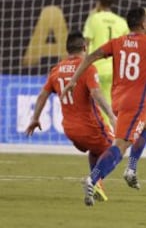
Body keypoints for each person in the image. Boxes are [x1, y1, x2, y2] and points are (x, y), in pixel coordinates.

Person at [61, 7, 146, 206]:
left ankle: (131, 169)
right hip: (136, 103)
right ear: (143, 24)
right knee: (120, 145)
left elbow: (90, 57)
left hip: (118, 100)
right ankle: (94, 178)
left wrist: (74, 79)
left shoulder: (119, 42)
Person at [25, 31, 117, 201]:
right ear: (85, 47)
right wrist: (111, 115)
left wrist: (35, 118)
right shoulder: (87, 66)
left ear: (67, 49)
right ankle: (94, 181)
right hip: (90, 126)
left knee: (96, 149)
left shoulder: (57, 69)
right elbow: (96, 92)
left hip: (69, 129)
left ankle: (98, 187)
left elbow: (42, 96)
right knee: (117, 147)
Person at [83, 0, 129, 126]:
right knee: (111, 104)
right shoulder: (122, 22)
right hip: (115, 70)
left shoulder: (94, 18)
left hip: (97, 68)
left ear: (98, 4)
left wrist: (83, 65)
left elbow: (85, 43)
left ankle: (108, 136)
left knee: (98, 105)